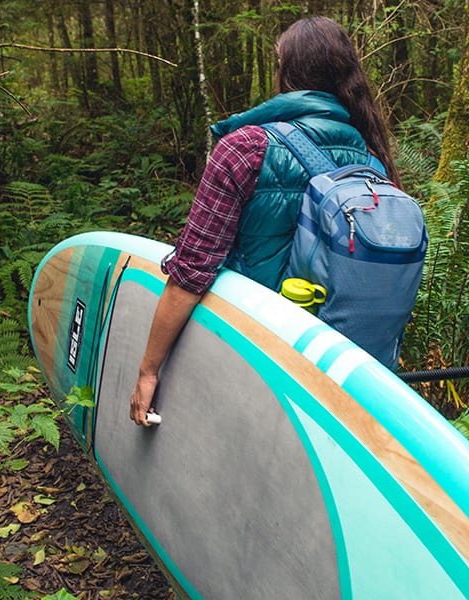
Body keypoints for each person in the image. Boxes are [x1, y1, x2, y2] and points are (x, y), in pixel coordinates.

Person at [129, 16, 400, 426]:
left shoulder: (247, 147)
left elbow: (192, 271)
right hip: (332, 365)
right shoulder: (373, 160)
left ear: (287, 71)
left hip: (252, 352)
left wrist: (148, 369)